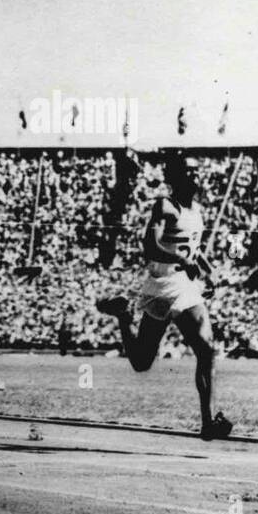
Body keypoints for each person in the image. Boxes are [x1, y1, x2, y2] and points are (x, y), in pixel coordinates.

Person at [95, 154, 233, 440]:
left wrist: (208, 270)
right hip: (163, 282)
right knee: (141, 362)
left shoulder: (197, 212)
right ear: (176, 179)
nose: (195, 178)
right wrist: (183, 262)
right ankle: (123, 317)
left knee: (206, 348)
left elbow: (192, 249)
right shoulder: (166, 206)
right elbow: (151, 246)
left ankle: (209, 422)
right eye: (189, 173)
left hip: (183, 284)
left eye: (197, 173)